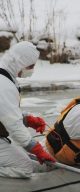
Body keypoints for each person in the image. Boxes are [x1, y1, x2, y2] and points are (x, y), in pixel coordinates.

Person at [0, 41, 55, 179]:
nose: (32, 70)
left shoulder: (6, 75)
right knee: (25, 167)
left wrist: (27, 119)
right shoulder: (3, 84)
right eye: (30, 66)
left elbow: (5, 112)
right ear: (19, 62)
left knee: (21, 155)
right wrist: (35, 148)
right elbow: (13, 125)